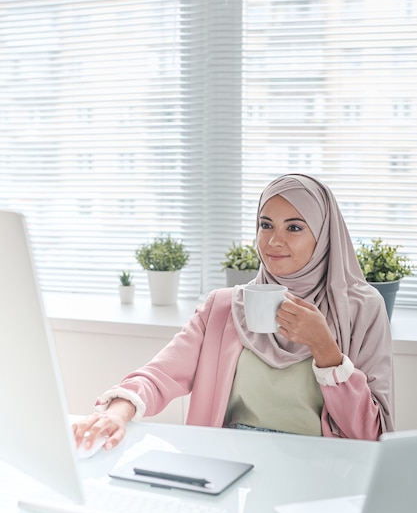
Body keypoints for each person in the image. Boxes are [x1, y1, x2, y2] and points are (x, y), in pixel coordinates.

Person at [73, 173, 394, 452]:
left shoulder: (361, 308)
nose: (273, 240)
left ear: (324, 237)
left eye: (294, 227)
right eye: (265, 224)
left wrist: (325, 349)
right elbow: (159, 375)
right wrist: (116, 412)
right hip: (231, 465)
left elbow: (372, 434)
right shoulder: (224, 306)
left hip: (325, 469)